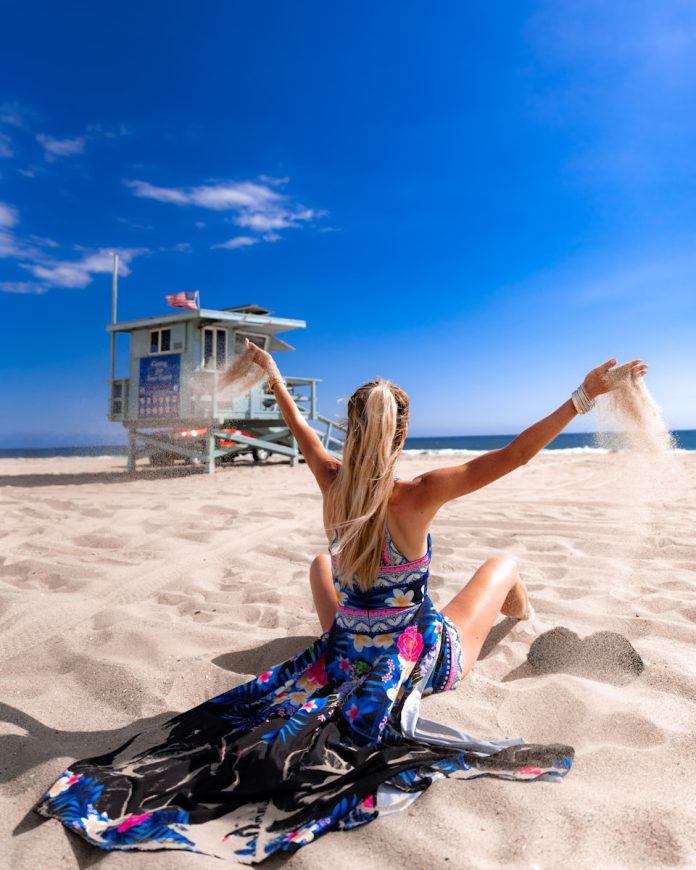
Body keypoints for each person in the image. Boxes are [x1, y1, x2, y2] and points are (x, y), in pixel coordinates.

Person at [34, 347, 647, 864]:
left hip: (343, 648)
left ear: (350, 431)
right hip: (411, 661)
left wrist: (271, 375)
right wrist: (582, 396)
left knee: (321, 565)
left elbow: (299, 424)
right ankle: (524, 614)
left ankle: (497, 613)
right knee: (501, 565)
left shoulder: (331, 479)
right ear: (401, 433)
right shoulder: (419, 493)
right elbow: (513, 456)